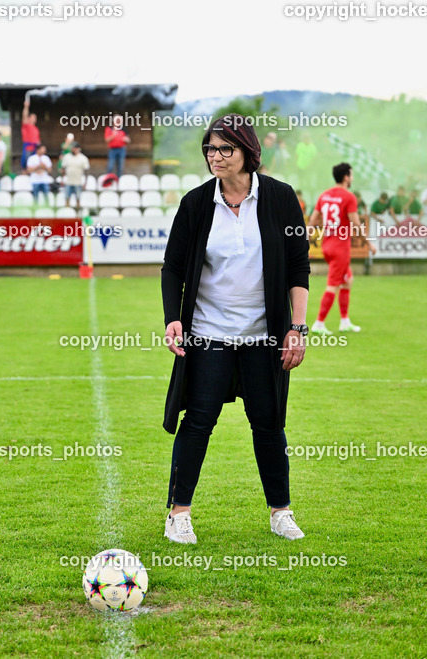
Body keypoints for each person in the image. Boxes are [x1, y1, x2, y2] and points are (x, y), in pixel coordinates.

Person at [161, 114, 310, 545]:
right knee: (199, 420)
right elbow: (173, 267)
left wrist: (297, 328)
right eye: (210, 148)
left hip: (264, 335)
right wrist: (173, 317)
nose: (216, 156)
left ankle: (280, 512)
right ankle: (179, 514)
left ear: (248, 153)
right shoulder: (195, 203)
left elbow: (299, 266)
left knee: (268, 423)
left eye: (226, 149)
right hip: (209, 332)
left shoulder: (281, 199)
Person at [309, 163, 363, 335]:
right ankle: (319, 323)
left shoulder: (324, 195)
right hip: (341, 248)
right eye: (352, 175)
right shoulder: (349, 197)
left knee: (347, 280)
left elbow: (313, 219)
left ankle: (344, 321)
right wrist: (369, 243)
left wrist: (307, 237)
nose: (352, 178)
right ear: (346, 177)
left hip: (327, 245)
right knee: (332, 285)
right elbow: (355, 223)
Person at [60, 142, 90, 208]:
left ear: (78, 149)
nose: (73, 149)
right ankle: (67, 213)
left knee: (78, 198)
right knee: (67, 198)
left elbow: (86, 171)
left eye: (74, 148)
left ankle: (77, 214)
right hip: (68, 182)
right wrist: (62, 179)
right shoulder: (66, 157)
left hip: (78, 182)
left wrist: (85, 182)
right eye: (72, 148)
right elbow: (63, 169)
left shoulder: (83, 158)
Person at [20, 99, 40, 172]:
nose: (34, 118)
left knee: (34, 162)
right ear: (29, 118)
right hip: (28, 146)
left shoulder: (36, 129)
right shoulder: (26, 125)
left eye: (35, 117)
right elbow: (24, 115)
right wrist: (26, 107)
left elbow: (38, 140)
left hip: (35, 147)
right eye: (33, 117)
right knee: (26, 161)